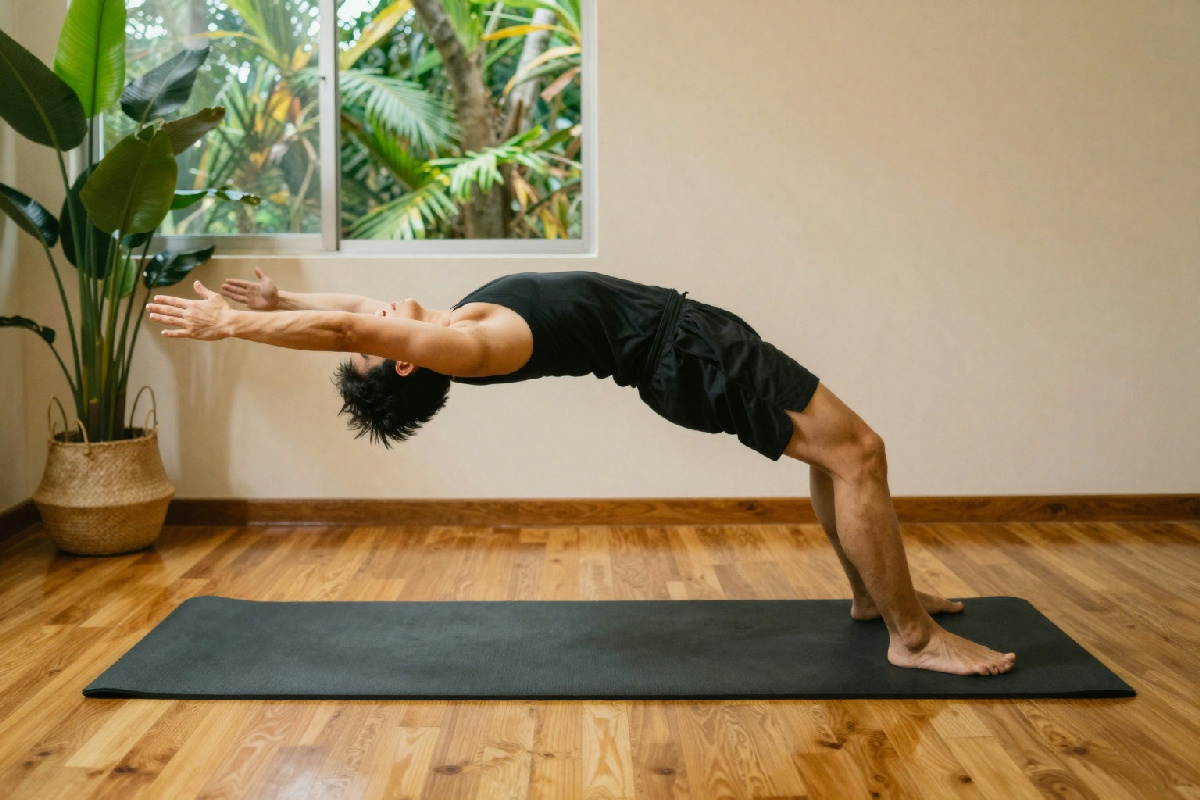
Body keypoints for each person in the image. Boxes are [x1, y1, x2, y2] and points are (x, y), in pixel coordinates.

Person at [146, 269, 1016, 676]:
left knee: (836, 454)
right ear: (405, 360)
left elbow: (343, 314)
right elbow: (350, 330)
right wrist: (231, 328)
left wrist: (280, 303)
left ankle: (873, 597)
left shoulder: (448, 323)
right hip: (686, 357)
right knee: (859, 452)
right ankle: (911, 637)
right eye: (380, 338)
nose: (374, 310)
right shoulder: (467, 346)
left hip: (687, 339)